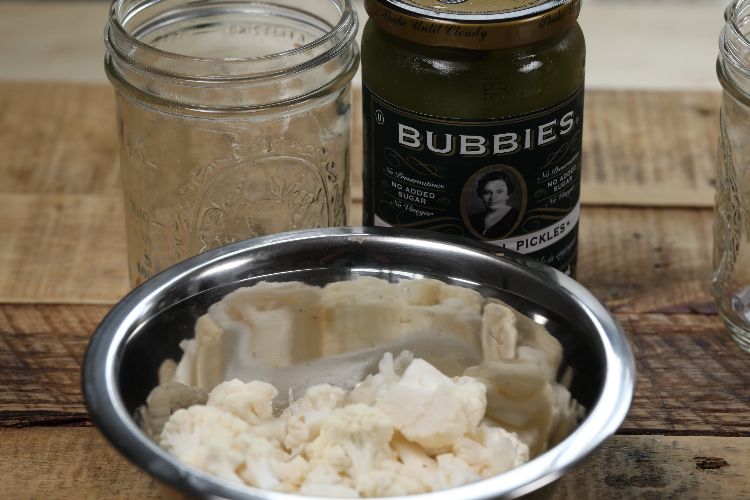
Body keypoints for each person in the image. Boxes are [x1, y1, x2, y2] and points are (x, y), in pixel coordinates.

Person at [468, 170, 519, 239]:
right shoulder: (473, 218)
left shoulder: (515, 217)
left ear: (508, 194)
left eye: (499, 192)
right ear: (481, 195)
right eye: (487, 192)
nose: (493, 197)